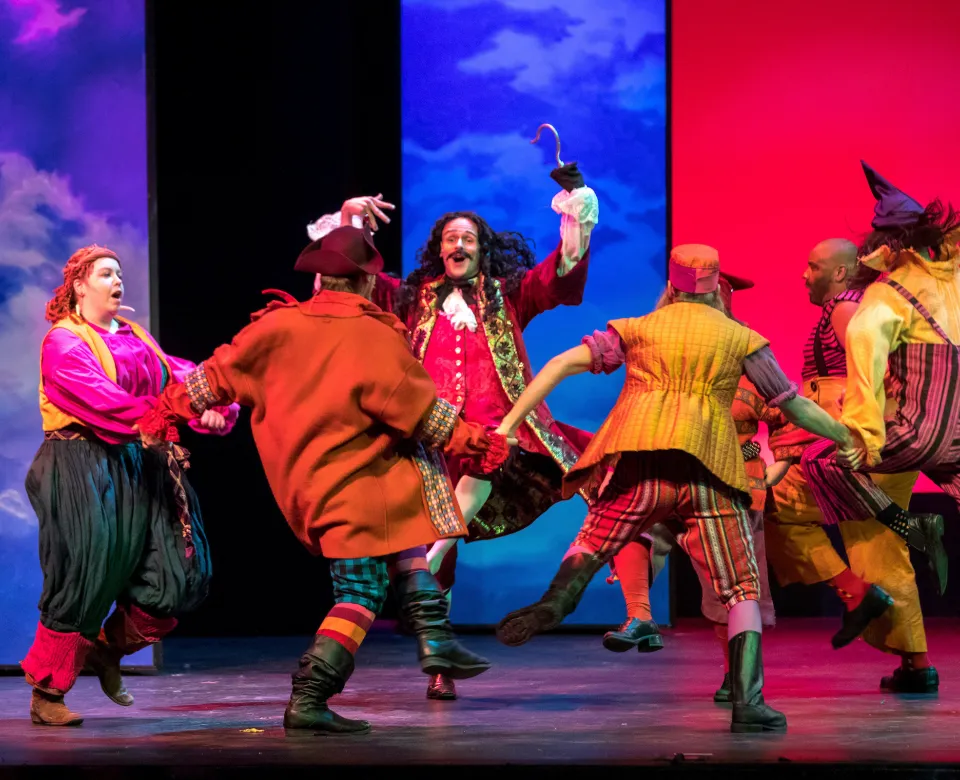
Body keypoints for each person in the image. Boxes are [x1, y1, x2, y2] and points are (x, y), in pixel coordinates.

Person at [136, 226, 507, 733]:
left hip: (315, 484)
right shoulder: (372, 335)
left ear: (320, 280)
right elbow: (419, 411)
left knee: (406, 526)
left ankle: (435, 636)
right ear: (364, 282)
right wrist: (477, 442)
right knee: (360, 593)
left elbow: (213, 376)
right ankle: (310, 696)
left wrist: (167, 410)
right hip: (354, 486)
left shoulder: (272, 328)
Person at [493, 244, 859, 733]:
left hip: (642, 464)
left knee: (596, 538)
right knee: (741, 588)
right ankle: (748, 701)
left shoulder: (637, 328)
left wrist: (508, 425)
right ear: (716, 290)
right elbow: (794, 405)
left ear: (670, 286)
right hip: (711, 472)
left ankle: (558, 599)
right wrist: (845, 436)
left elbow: (560, 364)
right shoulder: (741, 337)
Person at [308, 165, 597, 700]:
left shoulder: (508, 294)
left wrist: (577, 206)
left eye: (467, 238)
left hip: (494, 430)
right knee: (436, 544)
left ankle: (628, 567)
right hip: (431, 436)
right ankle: (438, 663)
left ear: (482, 249)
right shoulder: (412, 297)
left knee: (546, 466)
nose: (458, 245)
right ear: (439, 250)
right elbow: (350, 276)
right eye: (450, 238)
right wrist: (350, 219)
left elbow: (559, 274)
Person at [20, 244, 238, 726]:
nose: (117, 281)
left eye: (119, 273)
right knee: (84, 573)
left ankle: (105, 652)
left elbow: (179, 376)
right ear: (80, 285)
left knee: (179, 573)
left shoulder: (136, 337)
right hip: (82, 465)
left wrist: (214, 404)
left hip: (140, 463)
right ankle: (48, 692)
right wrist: (166, 414)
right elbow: (103, 401)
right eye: (105, 273)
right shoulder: (64, 341)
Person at [763, 233, 934, 691]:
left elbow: (869, 367)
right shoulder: (871, 305)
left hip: (854, 441)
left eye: (813, 267)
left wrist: (836, 426)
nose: (805, 275)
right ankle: (916, 664)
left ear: (840, 272)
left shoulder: (845, 307)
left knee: (779, 509)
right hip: (881, 440)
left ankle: (857, 594)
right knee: (881, 549)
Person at [602, 270, 779, 704]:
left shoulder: (744, 350)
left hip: (728, 481)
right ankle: (639, 616)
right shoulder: (660, 345)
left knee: (730, 586)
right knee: (635, 527)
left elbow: (785, 409)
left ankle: (738, 677)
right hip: (668, 469)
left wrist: (771, 465)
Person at [803, 161, 955, 612]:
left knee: (821, 461)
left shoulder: (887, 295)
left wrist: (861, 436)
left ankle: (911, 527)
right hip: (957, 436)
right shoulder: (953, 285)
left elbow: (866, 365)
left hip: (919, 431)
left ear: (886, 246)